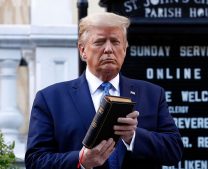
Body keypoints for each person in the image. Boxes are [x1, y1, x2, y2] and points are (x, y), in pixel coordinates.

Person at [25, 12, 183, 169]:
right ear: (82, 50)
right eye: (100, 42)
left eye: (115, 42)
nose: (108, 49)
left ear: (125, 49)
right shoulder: (51, 99)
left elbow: (174, 150)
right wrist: (80, 160)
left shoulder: (152, 94)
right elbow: (35, 161)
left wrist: (133, 136)